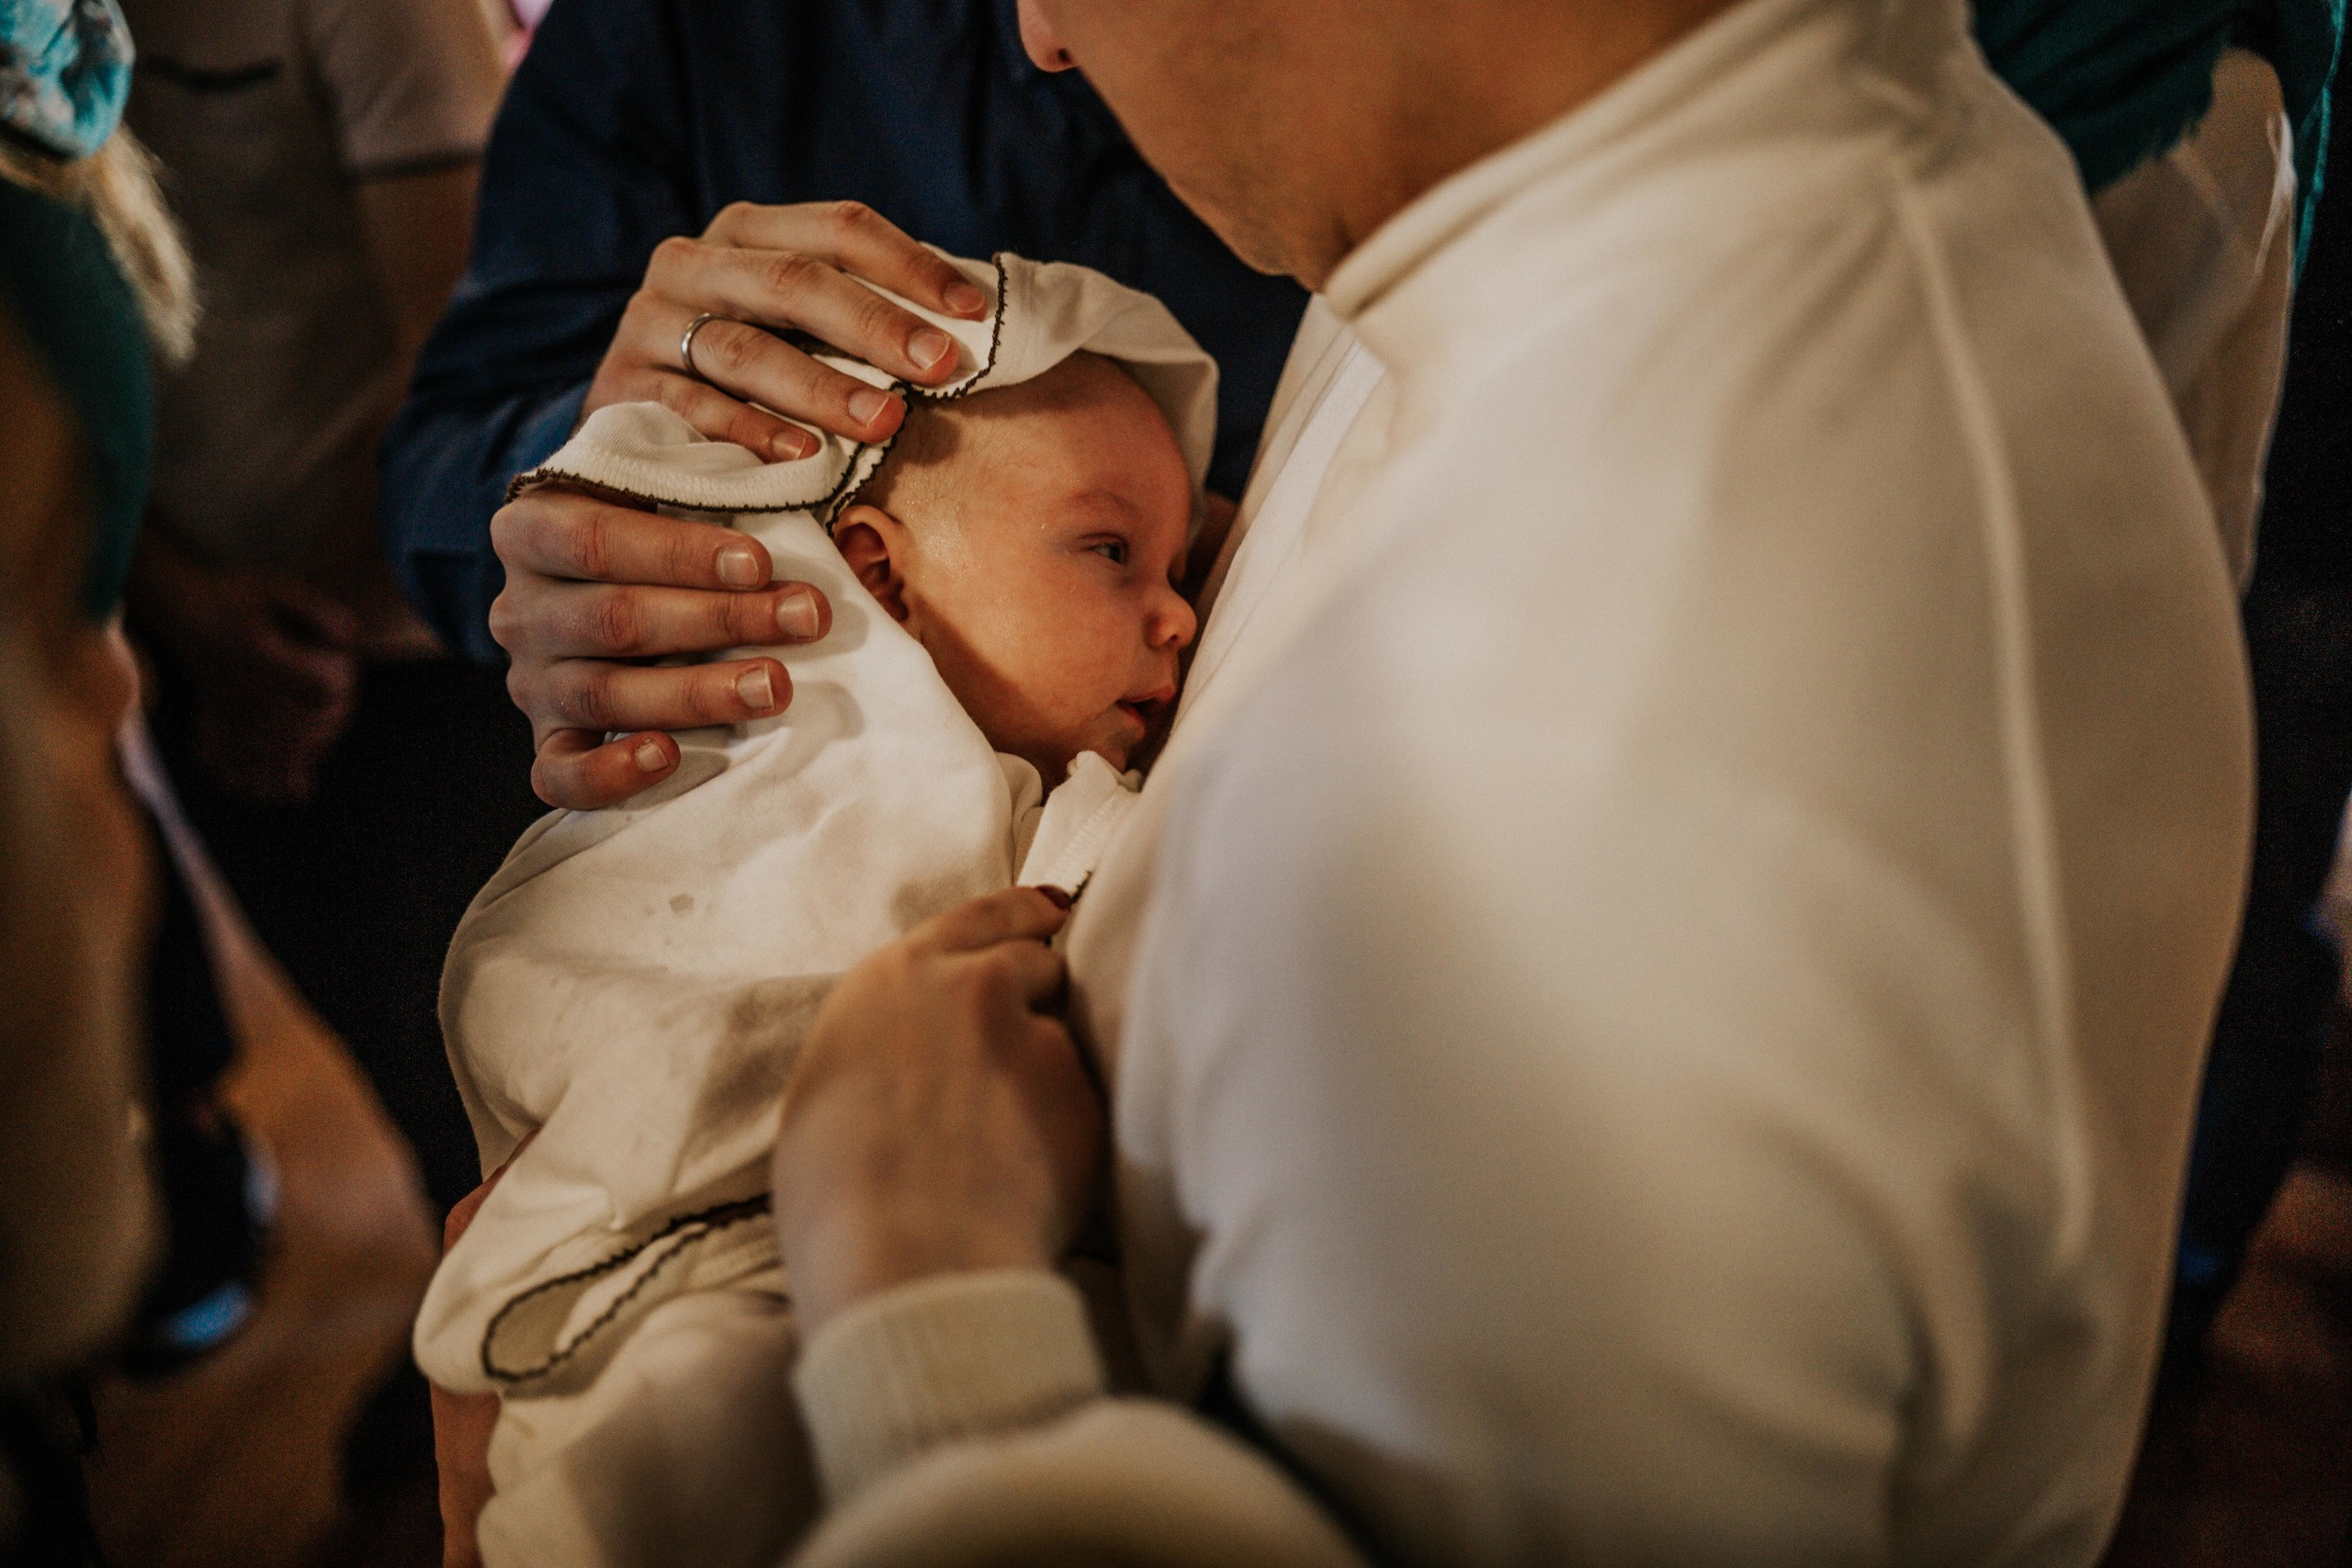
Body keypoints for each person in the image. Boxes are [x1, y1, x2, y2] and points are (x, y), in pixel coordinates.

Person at [753, 0, 2255, 1561]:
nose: (1040, 33)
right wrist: (777, 582)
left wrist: (925, 1314)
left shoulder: (1585, 747)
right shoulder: (1591, 194)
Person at [413, 261, 1206, 1568]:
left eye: (1178, 566)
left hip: (830, 1289)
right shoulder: (782, 770)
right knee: (690, 1425)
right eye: (1110, 550)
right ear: (877, 581)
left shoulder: (1031, 791)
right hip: (671, 1261)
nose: (1176, 615)